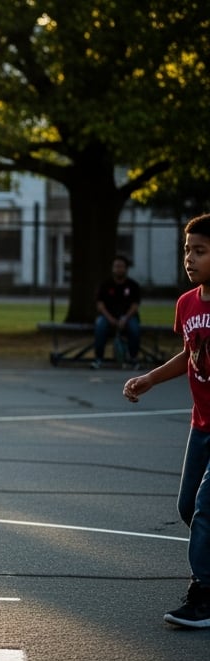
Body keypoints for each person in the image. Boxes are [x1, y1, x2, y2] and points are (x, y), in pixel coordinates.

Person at [122, 213, 210, 628]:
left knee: (206, 508)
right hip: (201, 425)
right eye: (187, 250)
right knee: (188, 505)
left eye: (200, 251)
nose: (189, 258)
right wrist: (150, 379)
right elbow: (189, 354)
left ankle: (204, 595)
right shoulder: (187, 303)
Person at [93, 254, 142, 369]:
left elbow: (135, 305)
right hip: (107, 317)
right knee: (100, 326)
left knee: (134, 328)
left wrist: (125, 318)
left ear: (126, 269)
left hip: (128, 317)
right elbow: (100, 305)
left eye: (121, 266)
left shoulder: (133, 286)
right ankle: (98, 359)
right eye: (116, 266)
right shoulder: (105, 285)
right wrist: (110, 318)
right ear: (112, 268)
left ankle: (133, 359)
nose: (118, 269)